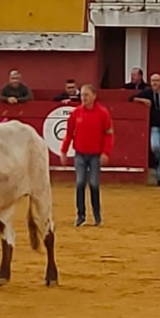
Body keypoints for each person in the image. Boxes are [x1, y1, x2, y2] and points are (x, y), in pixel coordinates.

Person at [60, 84, 114, 227]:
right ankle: (80, 215)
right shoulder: (76, 113)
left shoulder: (103, 113)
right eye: (82, 95)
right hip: (80, 154)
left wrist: (105, 152)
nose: (83, 98)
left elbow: (108, 135)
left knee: (94, 184)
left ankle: (97, 216)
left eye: (86, 95)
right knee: (80, 183)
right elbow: (69, 134)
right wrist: (64, 151)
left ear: (94, 96)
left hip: (95, 155)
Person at [133, 71, 160, 187]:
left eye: (157, 81)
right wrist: (143, 100)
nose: (155, 83)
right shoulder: (147, 93)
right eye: (153, 81)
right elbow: (131, 98)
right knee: (155, 147)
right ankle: (156, 161)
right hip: (154, 127)